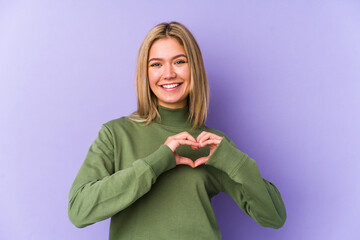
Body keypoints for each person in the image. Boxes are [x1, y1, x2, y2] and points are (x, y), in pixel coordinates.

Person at [68, 21, 286, 239]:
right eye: (156, 64)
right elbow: (79, 210)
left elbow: (274, 217)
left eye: (179, 61)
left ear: (194, 68)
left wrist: (234, 161)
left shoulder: (212, 144)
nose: (169, 73)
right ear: (145, 72)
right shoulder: (116, 134)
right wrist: (159, 161)